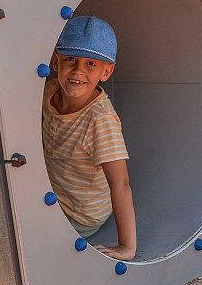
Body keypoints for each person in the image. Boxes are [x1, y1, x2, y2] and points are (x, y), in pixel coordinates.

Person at [42, 16, 137, 261]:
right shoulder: (49, 92)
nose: (78, 71)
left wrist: (127, 246)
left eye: (91, 64)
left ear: (106, 71)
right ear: (55, 60)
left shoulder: (100, 120)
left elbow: (121, 184)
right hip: (56, 192)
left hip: (81, 213)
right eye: (70, 59)